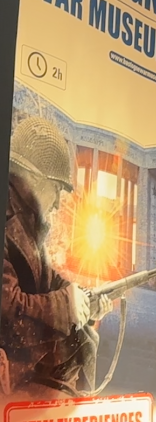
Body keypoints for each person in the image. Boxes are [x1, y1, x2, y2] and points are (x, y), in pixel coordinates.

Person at [1, 116, 110, 398]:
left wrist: (84, 299)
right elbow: (7, 312)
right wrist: (67, 305)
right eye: (58, 189)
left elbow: (48, 280)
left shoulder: (26, 221)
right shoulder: (11, 220)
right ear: (36, 181)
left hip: (25, 373)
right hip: (11, 382)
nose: (60, 202)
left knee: (85, 338)